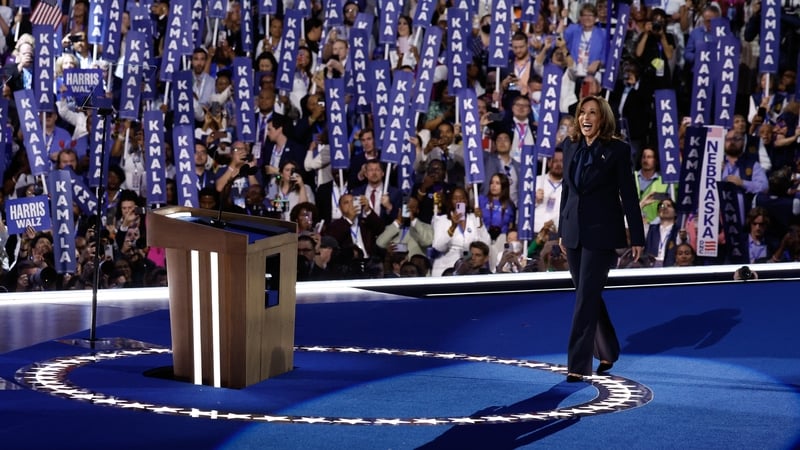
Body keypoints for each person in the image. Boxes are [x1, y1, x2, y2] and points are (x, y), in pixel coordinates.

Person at [558, 95, 645, 382]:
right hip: (573, 232)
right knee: (588, 294)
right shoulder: (570, 146)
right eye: (582, 112)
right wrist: (562, 229)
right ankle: (608, 349)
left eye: (592, 113)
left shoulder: (617, 150)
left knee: (584, 299)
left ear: (602, 118)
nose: (585, 117)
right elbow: (567, 192)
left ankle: (577, 365)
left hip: (602, 233)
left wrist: (637, 236)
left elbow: (629, 195)